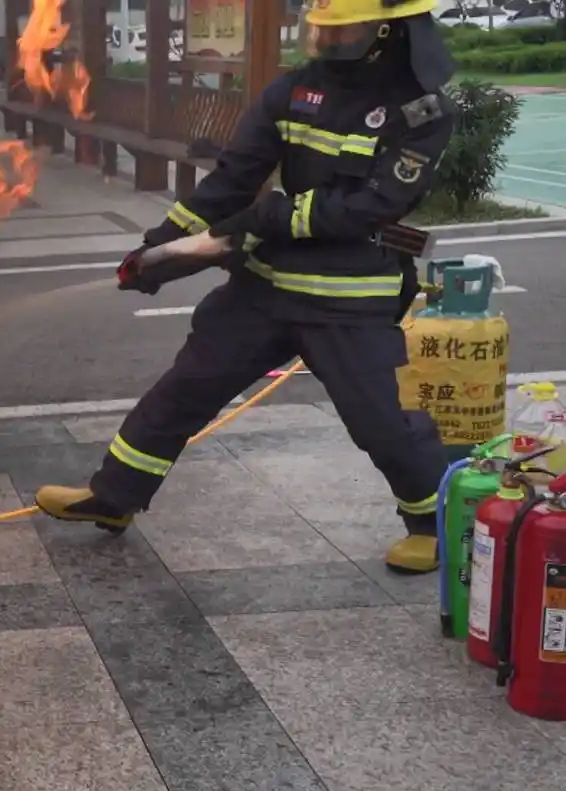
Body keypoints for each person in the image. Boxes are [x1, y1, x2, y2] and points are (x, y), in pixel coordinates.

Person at [34, 0, 457, 575]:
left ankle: (431, 524)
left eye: (343, 32)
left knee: (378, 421)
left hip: (348, 297)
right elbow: (233, 179)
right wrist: (159, 247)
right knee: (186, 387)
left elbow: (374, 206)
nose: (328, 44)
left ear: (388, 33)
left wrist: (270, 219)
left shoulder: (420, 112)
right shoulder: (294, 92)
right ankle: (113, 498)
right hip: (264, 287)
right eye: (320, 32)